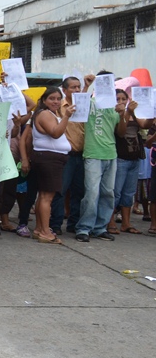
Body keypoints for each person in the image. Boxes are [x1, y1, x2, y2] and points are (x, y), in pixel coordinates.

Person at [26, 87, 74, 244]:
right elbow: (55, 133)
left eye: (58, 98)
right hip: (49, 160)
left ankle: (40, 229)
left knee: (43, 196)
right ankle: (46, 231)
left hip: (49, 159)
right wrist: (66, 117)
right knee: (47, 197)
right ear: (44, 100)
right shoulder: (45, 114)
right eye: (52, 98)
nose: (56, 101)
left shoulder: (47, 113)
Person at [75, 78, 119, 243]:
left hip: (111, 154)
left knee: (108, 193)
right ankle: (84, 228)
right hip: (93, 154)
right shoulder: (91, 102)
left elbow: (119, 131)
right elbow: (79, 105)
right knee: (92, 193)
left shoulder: (115, 107)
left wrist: (125, 112)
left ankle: (100, 228)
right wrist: (86, 85)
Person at [109, 89, 148, 234]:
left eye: (123, 99)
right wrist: (125, 113)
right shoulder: (113, 114)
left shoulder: (133, 113)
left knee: (129, 192)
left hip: (135, 157)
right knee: (116, 192)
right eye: (117, 99)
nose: (121, 102)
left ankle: (126, 223)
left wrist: (149, 111)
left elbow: (145, 125)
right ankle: (110, 221)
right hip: (121, 157)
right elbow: (121, 131)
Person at [58, 73, 85, 234]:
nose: (76, 90)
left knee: (79, 192)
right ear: (64, 90)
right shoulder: (60, 107)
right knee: (61, 191)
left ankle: (73, 224)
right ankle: (55, 224)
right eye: (73, 87)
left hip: (81, 155)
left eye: (78, 87)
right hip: (65, 156)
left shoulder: (84, 106)